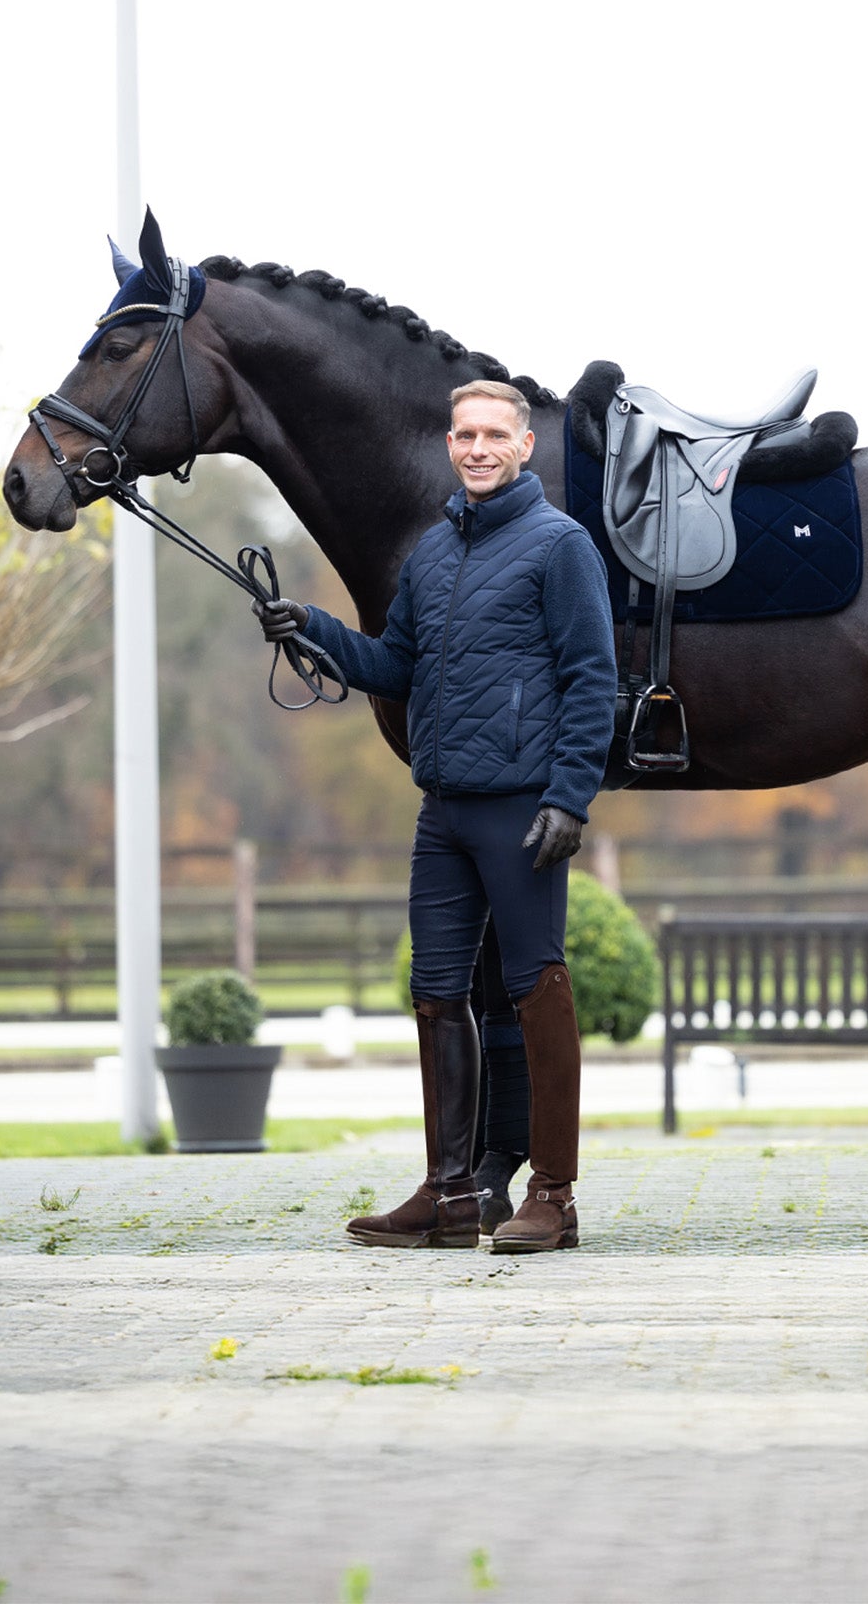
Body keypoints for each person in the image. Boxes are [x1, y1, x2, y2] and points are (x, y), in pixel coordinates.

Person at [256, 380, 617, 1253]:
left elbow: (591, 677)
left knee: (536, 988)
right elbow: (393, 664)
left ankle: (554, 1197)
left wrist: (569, 797)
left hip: (524, 811)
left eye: (496, 434)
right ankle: (450, 1192)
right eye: (465, 435)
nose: (479, 448)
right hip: (443, 812)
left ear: (525, 446)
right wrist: (308, 626)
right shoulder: (430, 554)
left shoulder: (560, 546)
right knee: (434, 993)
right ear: (448, 444)